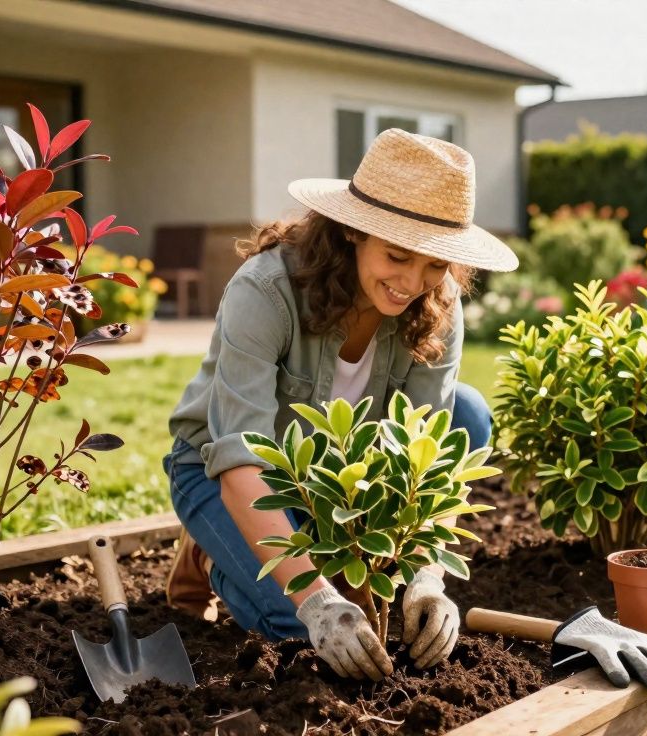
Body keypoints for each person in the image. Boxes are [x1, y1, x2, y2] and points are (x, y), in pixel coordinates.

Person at [161, 128, 519, 681]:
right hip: (225, 467)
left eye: (434, 265)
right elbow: (241, 459)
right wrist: (317, 604)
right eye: (398, 256)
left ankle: (256, 544)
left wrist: (426, 578)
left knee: (466, 416)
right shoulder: (267, 291)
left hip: (336, 479)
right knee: (298, 633)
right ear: (354, 230)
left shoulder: (437, 303)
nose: (412, 283)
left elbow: (431, 464)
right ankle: (211, 549)